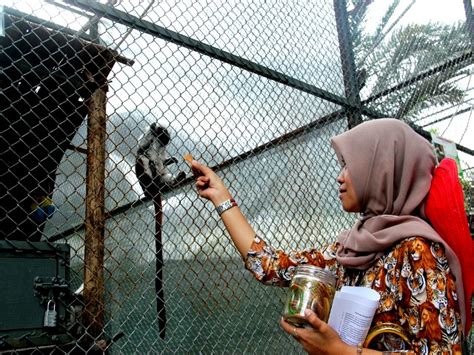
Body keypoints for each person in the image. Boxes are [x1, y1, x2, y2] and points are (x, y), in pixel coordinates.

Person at [190, 118, 471, 354]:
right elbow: (270, 266)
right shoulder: (351, 248)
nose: (340, 177)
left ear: (381, 170)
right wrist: (221, 197)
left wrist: (340, 351)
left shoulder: (416, 250)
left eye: (350, 165)